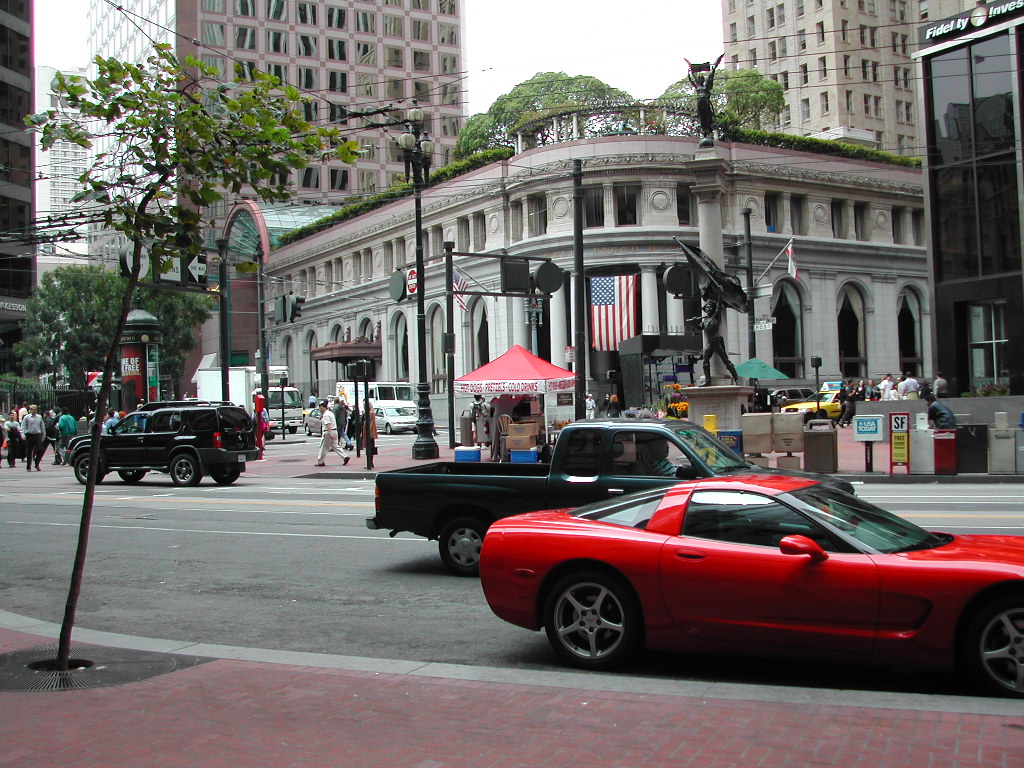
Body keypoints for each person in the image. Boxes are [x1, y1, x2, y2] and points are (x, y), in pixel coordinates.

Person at [314, 400, 349, 467]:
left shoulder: (326, 415)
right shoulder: (330, 413)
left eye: (321, 407)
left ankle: (320, 461)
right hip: (334, 430)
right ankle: (345, 456)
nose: (320, 409)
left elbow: (328, 425)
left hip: (328, 432)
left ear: (324, 407)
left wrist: (329, 433)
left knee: (324, 447)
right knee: (335, 446)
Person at [20, 404, 45, 471]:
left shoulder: (39, 417)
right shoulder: (27, 417)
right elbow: (23, 427)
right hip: (29, 435)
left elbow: (42, 426)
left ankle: (37, 463)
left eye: (35, 409)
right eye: (32, 409)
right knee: (29, 451)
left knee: (41, 449)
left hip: (37, 435)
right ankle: (28, 466)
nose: (34, 410)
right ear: (30, 410)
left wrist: (43, 435)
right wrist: (23, 435)